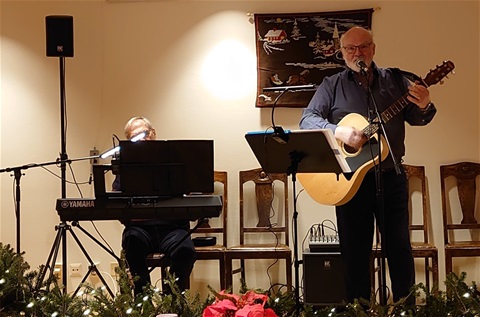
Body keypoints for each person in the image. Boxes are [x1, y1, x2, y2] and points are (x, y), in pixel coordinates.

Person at [299, 26, 437, 303]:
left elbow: (418, 117)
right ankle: (357, 308)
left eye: (363, 47)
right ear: (342, 52)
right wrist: (339, 131)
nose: (357, 53)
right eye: (350, 48)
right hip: (350, 182)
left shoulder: (396, 81)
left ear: (373, 49)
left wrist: (424, 104)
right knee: (354, 252)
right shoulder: (332, 85)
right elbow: (307, 119)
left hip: (391, 176)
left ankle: (404, 308)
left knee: (398, 248)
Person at [113, 116, 196, 295]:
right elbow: (118, 204)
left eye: (144, 134)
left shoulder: (175, 160)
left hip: (173, 229)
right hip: (140, 230)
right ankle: (144, 301)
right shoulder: (125, 167)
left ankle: (173, 300)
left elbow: (190, 193)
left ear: (153, 134)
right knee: (131, 243)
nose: (141, 139)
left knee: (185, 250)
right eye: (134, 137)